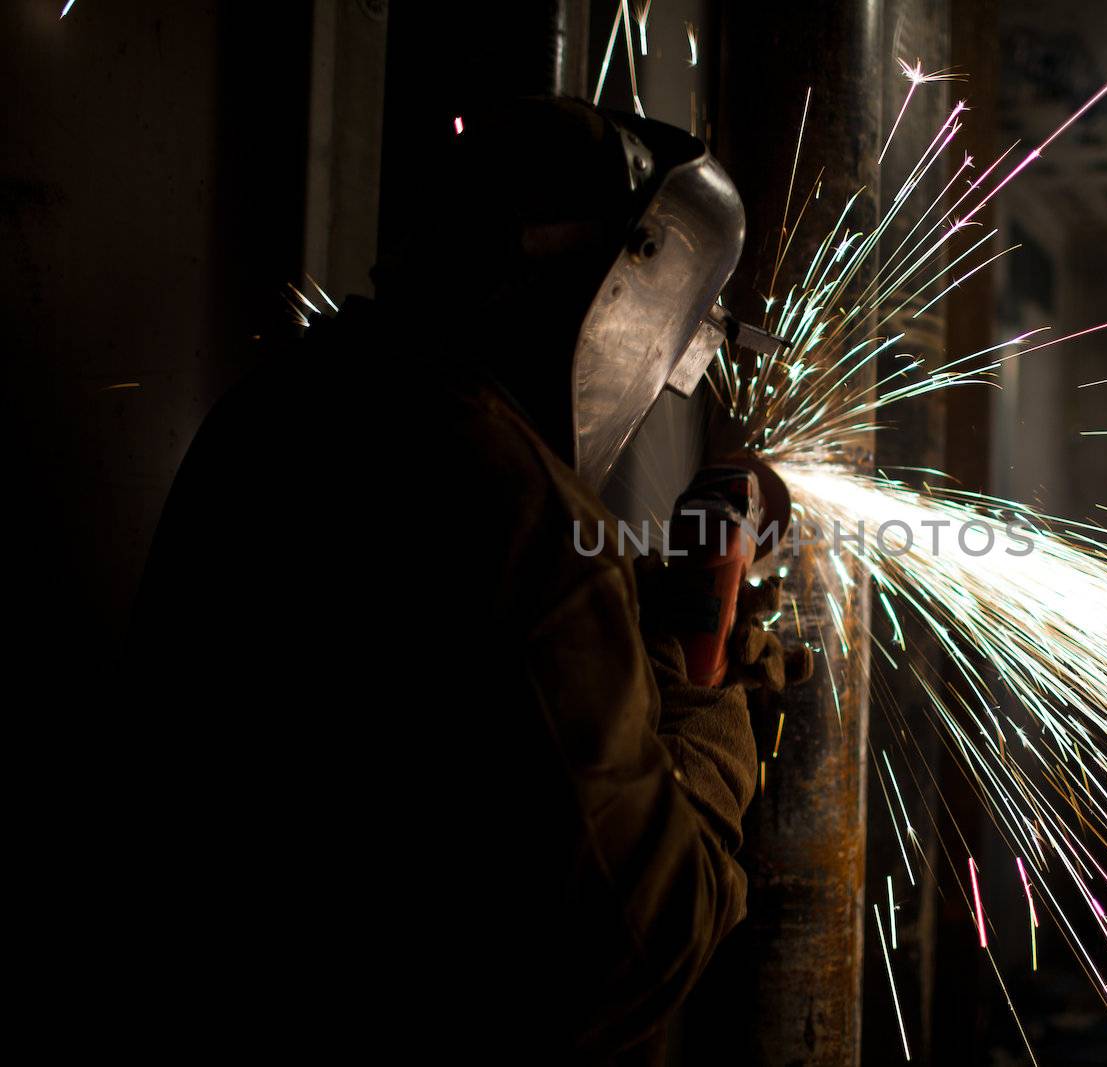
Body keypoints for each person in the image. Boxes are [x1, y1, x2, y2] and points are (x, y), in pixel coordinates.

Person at [125, 98, 801, 1060]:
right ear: (617, 287)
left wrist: (636, 621)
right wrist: (703, 678)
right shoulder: (524, 513)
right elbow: (647, 941)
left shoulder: (285, 406)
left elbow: (455, 708)